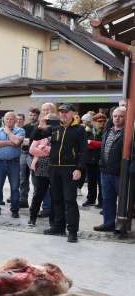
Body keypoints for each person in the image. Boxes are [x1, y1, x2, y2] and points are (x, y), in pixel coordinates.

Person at [33, 104, 87, 243]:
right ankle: (58, 226)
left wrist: (79, 168)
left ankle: (73, 231)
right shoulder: (55, 128)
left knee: (69, 200)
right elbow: (35, 136)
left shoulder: (79, 129)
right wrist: (41, 125)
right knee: (56, 198)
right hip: (54, 168)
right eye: (61, 112)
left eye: (66, 112)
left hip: (69, 168)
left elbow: (83, 151)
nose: (63, 114)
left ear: (72, 114)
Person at [96, 107, 126, 232]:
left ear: (126, 117)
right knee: (107, 199)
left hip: (120, 173)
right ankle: (108, 223)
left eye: (120, 116)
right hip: (105, 171)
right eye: (115, 116)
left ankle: (121, 225)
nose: (117, 118)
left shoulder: (128, 133)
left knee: (123, 200)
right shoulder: (108, 131)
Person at [0, 112, 25, 218]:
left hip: (14, 162)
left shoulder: (20, 130)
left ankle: (14, 210)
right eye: (7, 119)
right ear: (3, 120)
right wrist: (10, 142)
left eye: (11, 119)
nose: (9, 121)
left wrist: (8, 132)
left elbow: (17, 142)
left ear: (15, 121)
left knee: (15, 187)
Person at [28, 115, 55, 227]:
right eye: (45, 122)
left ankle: (53, 221)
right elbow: (32, 149)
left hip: (55, 168)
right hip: (42, 168)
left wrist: (44, 149)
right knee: (38, 194)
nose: (46, 125)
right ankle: (32, 218)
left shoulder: (58, 133)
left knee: (55, 196)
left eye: (49, 122)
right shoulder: (41, 134)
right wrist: (48, 151)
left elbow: (59, 152)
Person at [83, 112, 105, 208]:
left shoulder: (106, 131)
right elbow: (85, 144)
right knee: (91, 182)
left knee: (101, 183)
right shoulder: (88, 131)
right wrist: (94, 144)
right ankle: (90, 199)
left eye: (103, 121)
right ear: (94, 122)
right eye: (99, 121)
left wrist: (92, 142)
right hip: (90, 160)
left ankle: (101, 202)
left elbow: (103, 145)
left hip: (100, 161)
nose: (102, 123)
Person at [19, 108, 40, 208]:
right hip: (24, 153)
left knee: (35, 178)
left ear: (38, 116)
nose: (32, 117)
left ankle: (35, 202)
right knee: (23, 178)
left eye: (34, 115)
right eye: (30, 115)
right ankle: (23, 200)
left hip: (34, 155)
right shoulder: (25, 127)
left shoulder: (40, 126)